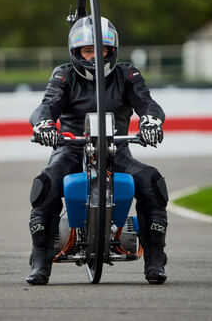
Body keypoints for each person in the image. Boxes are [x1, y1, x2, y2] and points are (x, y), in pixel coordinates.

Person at [26, 15, 168, 285]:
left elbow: (148, 103)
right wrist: (44, 124)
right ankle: (40, 260)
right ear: (76, 52)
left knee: (152, 181)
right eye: (88, 51)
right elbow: (46, 105)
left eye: (100, 50)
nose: (95, 57)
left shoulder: (127, 73)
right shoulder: (63, 74)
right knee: (46, 183)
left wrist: (151, 121)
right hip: (70, 149)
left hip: (117, 150)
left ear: (111, 50)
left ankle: (156, 258)